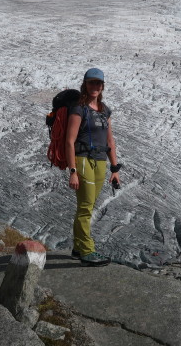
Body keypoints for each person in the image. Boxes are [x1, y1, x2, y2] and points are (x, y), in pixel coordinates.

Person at [66, 68, 121, 266]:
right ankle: (87, 251)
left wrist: (114, 169)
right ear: (85, 84)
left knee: (88, 205)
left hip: (100, 162)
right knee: (85, 207)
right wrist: (72, 171)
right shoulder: (78, 108)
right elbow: (70, 141)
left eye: (98, 83)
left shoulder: (104, 110)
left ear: (102, 85)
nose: (95, 86)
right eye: (91, 83)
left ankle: (77, 248)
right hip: (83, 160)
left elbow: (110, 140)